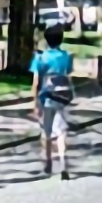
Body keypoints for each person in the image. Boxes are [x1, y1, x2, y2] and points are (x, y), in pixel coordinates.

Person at [30, 24, 74, 181]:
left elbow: (36, 82)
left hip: (46, 97)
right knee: (61, 131)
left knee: (46, 131)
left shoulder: (40, 58)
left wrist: (34, 102)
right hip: (62, 97)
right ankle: (63, 163)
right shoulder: (66, 56)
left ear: (46, 40)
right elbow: (68, 76)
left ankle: (48, 162)